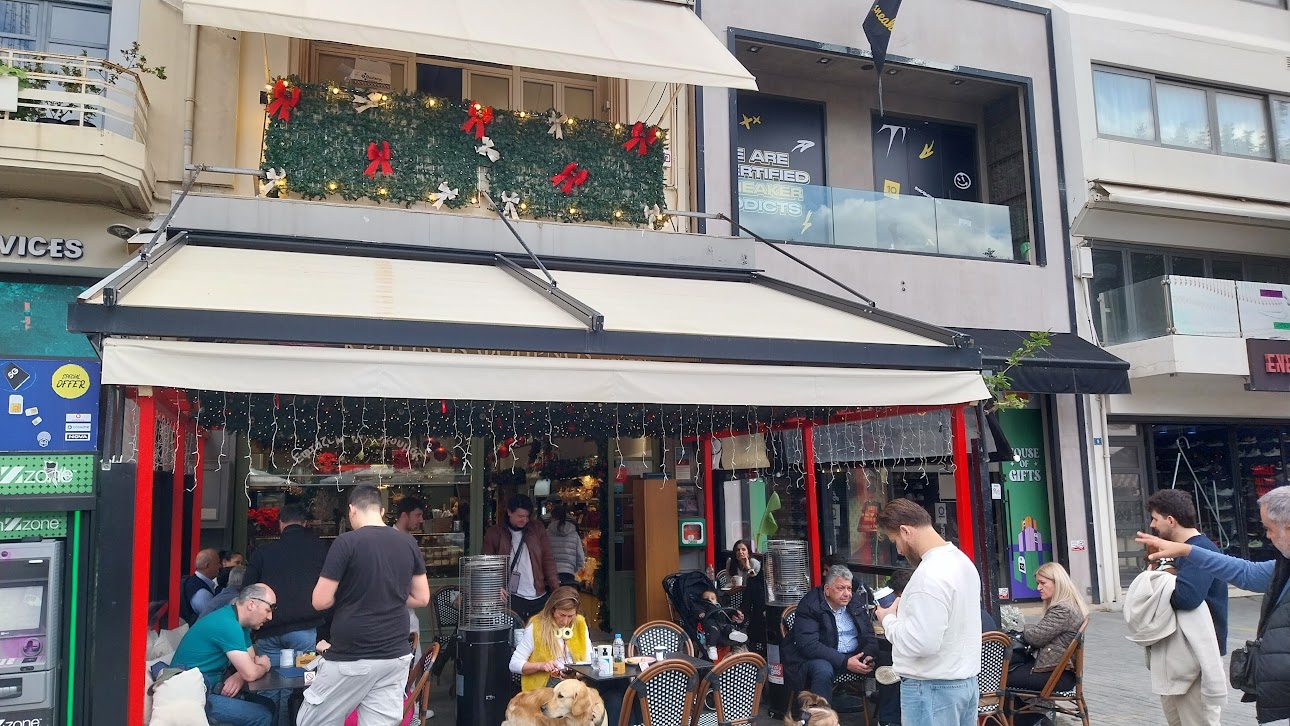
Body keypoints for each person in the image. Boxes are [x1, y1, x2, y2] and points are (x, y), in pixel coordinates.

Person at [1137, 485, 1290, 724]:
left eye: (1268, 529)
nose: (1267, 536)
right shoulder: (1283, 566)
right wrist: (1186, 551)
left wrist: (1168, 570)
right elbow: (1244, 572)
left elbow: (1187, 597)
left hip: (1197, 652)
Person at [297, 485, 430, 726]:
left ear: (351, 510)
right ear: (381, 510)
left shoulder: (346, 542)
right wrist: (386, 595)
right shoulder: (408, 543)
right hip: (395, 656)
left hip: (352, 654)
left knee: (311, 721)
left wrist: (354, 595)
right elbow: (422, 598)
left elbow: (320, 601)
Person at [873, 498, 981, 726]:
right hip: (963, 683)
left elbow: (921, 643)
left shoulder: (929, 574)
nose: (899, 550)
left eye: (895, 541)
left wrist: (888, 619)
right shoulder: (963, 562)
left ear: (905, 531)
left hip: (931, 687)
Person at [872, 569, 998, 726]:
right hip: (985, 685)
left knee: (893, 667)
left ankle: (889, 721)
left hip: (944, 685)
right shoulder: (974, 614)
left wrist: (889, 620)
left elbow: (920, 646)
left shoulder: (931, 616)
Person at [244, 503, 330, 726]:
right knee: (303, 687)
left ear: (280, 524)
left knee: (268, 688)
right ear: (305, 523)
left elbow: (246, 591)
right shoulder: (322, 549)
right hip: (306, 631)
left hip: (268, 632)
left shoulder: (263, 553)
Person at [171, 583, 278, 726]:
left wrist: (240, 675)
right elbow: (251, 673)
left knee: (268, 704)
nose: (270, 617)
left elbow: (250, 663)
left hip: (206, 688)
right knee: (262, 716)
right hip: (190, 696)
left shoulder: (239, 623)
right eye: (268, 609)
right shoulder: (228, 625)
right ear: (251, 604)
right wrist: (263, 666)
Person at [781, 564, 879, 711]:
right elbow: (809, 645)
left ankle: (889, 719)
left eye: (849, 588)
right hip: (815, 659)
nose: (847, 594)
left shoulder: (855, 602)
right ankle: (822, 719)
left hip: (853, 657)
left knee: (889, 662)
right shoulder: (810, 604)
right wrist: (845, 661)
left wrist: (868, 656)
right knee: (823, 669)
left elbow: (870, 636)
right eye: (841, 588)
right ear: (827, 589)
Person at [1147, 489, 1229, 654]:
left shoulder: (1201, 550)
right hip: (1186, 645)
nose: (1152, 525)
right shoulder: (1180, 550)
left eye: (1155, 519)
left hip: (1199, 648)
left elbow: (1187, 598)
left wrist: (1155, 581)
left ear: (1170, 521)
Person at [1009, 563, 1088, 726]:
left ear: (1058, 583)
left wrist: (1024, 628)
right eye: (1038, 583)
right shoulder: (1070, 606)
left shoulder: (1063, 609)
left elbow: (1036, 637)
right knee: (1006, 675)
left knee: (998, 678)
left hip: (1055, 675)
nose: (1038, 587)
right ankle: (1035, 719)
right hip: (1059, 671)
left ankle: (1036, 720)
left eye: (1043, 583)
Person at [484, 494, 560, 622]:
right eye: (520, 516)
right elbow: (487, 564)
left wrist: (556, 589)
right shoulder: (495, 533)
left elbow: (547, 559)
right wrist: (495, 587)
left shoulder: (537, 528)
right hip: (511, 596)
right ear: (509, 512)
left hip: (538, 593)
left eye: (527, 516)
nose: (524, 520)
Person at [509, 586, 593, 691]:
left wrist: (575, 674)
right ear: (553, 610)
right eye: (562, 615)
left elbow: (589, 661)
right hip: (547, 685)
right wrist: (541, 666)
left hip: (575, 681)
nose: (565, 621)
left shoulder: (579, 623)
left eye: (570, 616)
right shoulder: (536, 627)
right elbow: (514, 664)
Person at [180, 548, 221, 625]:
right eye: (217, 563)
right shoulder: (202, 593)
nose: (220, 566)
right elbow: (212, 620)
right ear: (207, 566)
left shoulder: (193, 582)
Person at [547, 505, 585, 587]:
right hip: (569, 573)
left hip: (550, 572)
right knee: (566, 597)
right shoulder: (574, 533)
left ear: (552, 517)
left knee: (552, 598)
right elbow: (580, 558)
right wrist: (573, 569)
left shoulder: (546, 533)